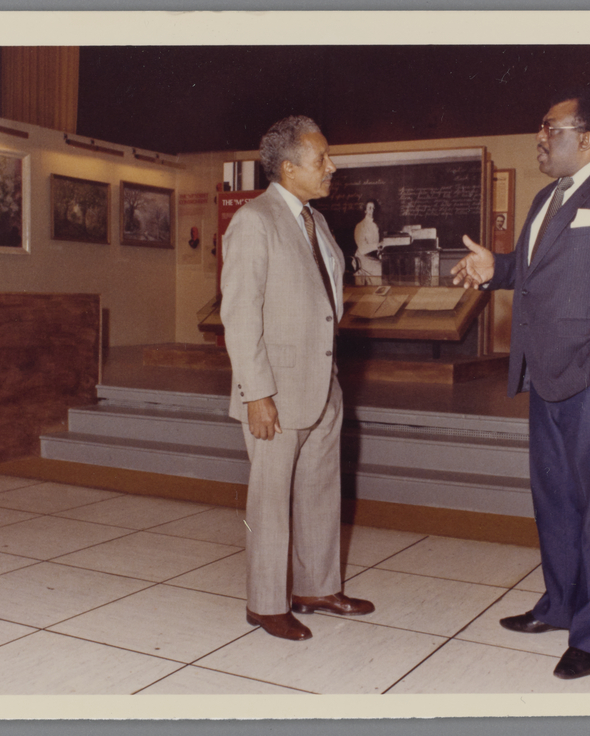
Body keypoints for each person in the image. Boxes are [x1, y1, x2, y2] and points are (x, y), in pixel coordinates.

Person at [451, 88, 590, 679]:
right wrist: (497, 267)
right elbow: (535, 268)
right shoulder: (547, 198)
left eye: (550, 127)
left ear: (588, 136)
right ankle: (561, 604)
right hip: (543, 370)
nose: (540, 138)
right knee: (554, 500)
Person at [221, 115, 375, 641]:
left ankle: (315, 587)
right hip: (275, 394)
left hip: (322, 385)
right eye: (321, 159)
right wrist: (257, 395)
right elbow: (239, 316)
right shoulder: (253, 221)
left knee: (318, 490)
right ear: (288, 168)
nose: (332, 167)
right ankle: (265, 604)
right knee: (269, 500)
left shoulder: (316, 221)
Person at [353, 199, 382, 280]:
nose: (372, 210)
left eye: (374, 208)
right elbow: (362, 248)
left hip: (373, 257)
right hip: (363, 258)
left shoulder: (376, 226)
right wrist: (377, 246)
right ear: (365, 210)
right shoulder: (360, 226)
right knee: (380, 269)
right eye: (369, 208)